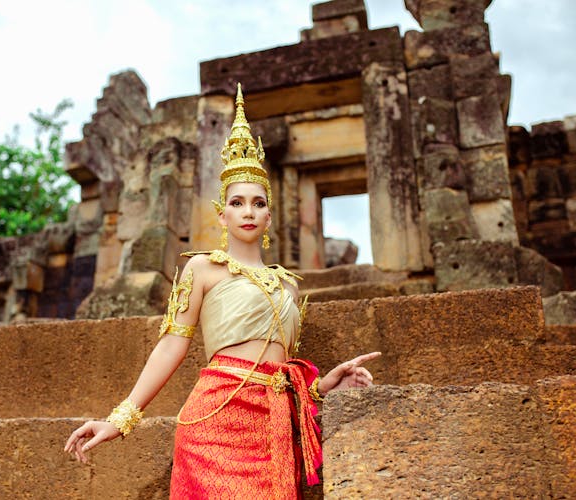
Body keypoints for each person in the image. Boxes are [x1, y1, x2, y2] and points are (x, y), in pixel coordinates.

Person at [64, 83, 380, 498]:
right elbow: (170, 347)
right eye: (237, 202)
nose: (248, 211)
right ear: (222, 214)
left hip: (273, 430)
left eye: (257, 203)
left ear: (269, 215)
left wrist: (323, 386)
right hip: (215, 419)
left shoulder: (286, 282)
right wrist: (120, 418)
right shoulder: (203, 268)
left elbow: (278, 370)